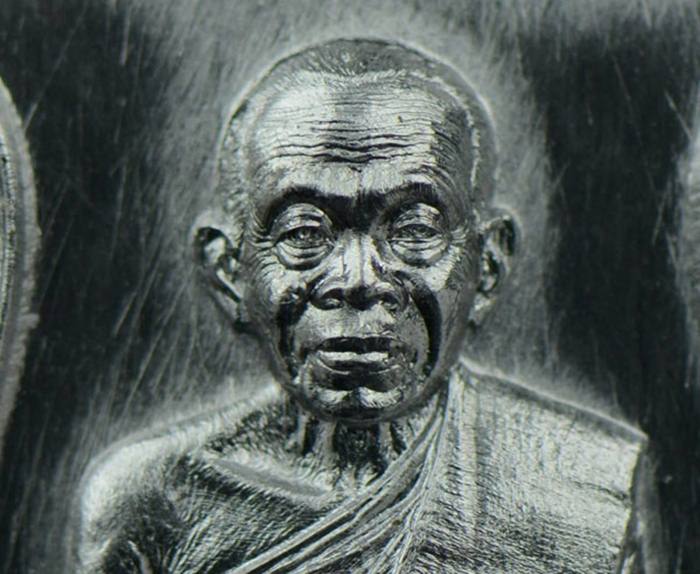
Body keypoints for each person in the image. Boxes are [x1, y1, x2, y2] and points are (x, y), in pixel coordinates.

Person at [73, 39, 664, 573]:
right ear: (230, 273)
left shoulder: (584, 489)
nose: (358, 282)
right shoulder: (153, 502)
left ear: (487, 265)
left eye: (414, 229)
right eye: (305, 233)